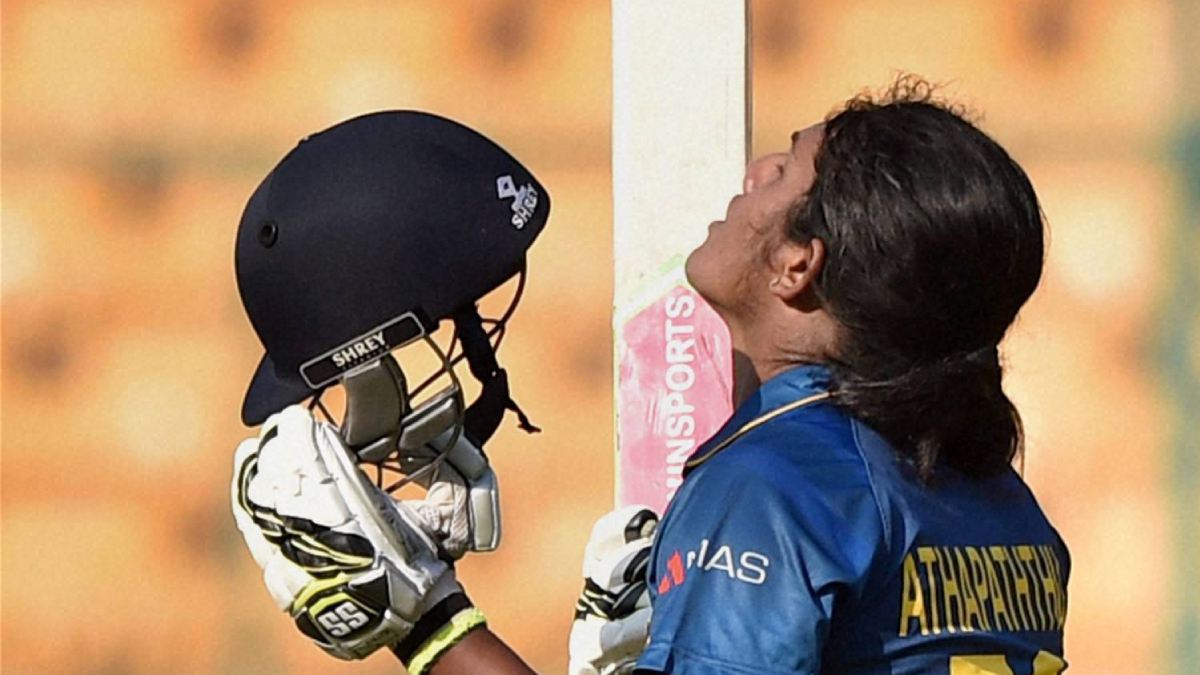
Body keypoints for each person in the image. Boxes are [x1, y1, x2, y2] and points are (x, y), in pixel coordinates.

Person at [232, 78, 1069, 674]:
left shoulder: (773, 487)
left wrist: (428, 625)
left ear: (798, 266)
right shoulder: (1002, 498)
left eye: (783, 170)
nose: (753, 172)